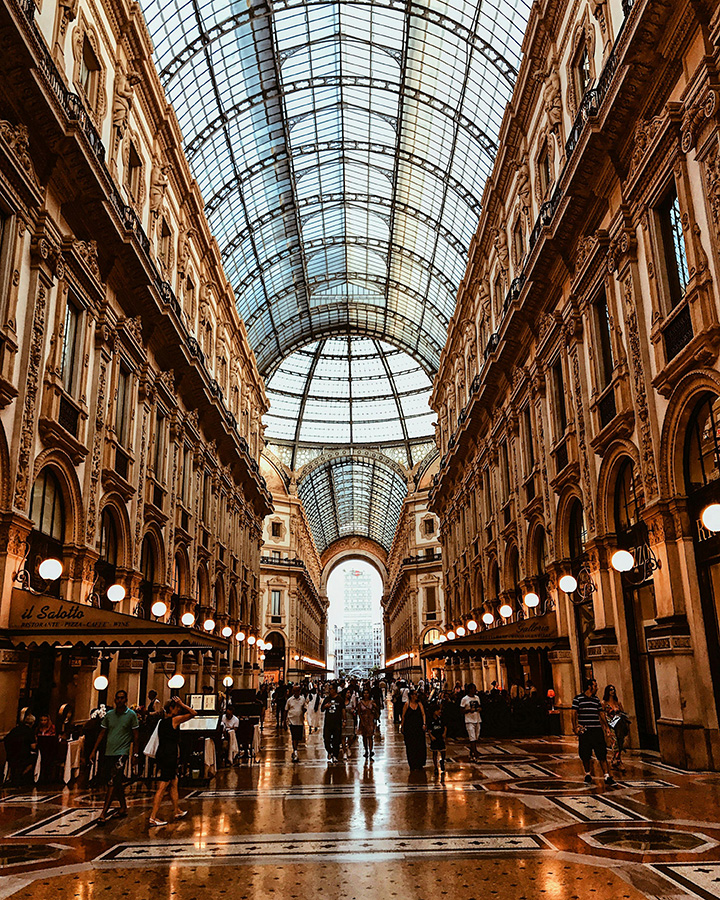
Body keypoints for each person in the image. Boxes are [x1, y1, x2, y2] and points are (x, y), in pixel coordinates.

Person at [91, 689, 140, 824]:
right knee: (116, 781)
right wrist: (94, 750)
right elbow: (102, 733)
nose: (119, 700)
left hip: (122, 753)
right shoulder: (109, 715)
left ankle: (103, 813)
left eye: (122, 698)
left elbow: (136, 736)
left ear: (126, 700)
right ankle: (123, 807)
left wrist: (135, 753)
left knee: (112, 781)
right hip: (109, 752)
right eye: (117, 698)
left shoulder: (131, 715)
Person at [149, 696, 196, 826]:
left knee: (174, 782)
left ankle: (176, 810)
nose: (179, 710)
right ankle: (153, 816)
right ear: (171, 708)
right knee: (163, 786)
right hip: (169, 755)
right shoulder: (174, 720)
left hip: (164, 754)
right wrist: (183, 704)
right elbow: (193, 713)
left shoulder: (162, 722)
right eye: (177, 707)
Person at [572, 678, 616, 786]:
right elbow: (574, 713)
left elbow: (601, 714)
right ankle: (587, 774)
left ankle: (606, 775)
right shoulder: (578, 699)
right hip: (585, 730)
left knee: (601, 753)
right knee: (585, 753)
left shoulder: (596, 700)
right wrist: (575, 727)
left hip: (596, 729)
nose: (597, 688)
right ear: (589, 687)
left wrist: (606, 728)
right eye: (595, 686)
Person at [603, 684, 630, 771]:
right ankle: (617, 761)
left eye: (613, 689)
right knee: (615, 743)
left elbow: (623, 713)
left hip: (619, 725)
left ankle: (616, 760)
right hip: (610, 725)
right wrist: (605, 727)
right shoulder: (604, 703)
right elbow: (602, 715)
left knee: (620, 742)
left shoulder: (618, 703)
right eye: (611, 690)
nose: (612, 691)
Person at [3, 716, 37, 786]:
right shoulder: (30, 731)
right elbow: (33, 746)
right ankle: (22, 775)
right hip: (23, 756)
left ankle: (16, 776)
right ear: (33, 723)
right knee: (35, 758)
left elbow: (6, 739)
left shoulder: (15, 729)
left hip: (11, 754)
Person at [400, 689, 426, 770]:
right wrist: (402, 726)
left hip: (418, 728)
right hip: (409, 728)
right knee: (411, 746)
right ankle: (412, 763)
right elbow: (403, 716)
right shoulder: (407, 705)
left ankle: (420, 763)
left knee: (420, 745)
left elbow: (423, 714)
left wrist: (424, 723)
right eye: (415, 694)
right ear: (411, 695)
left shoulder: (419, 704)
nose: (416, 696)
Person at [321, 683, 344, 763]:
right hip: (328, 722)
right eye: (329, 689)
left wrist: (344, 720)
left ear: (335, 690)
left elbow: (343, 710)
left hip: (337, 723)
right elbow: (322, 709)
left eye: (331, 689)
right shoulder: (327, 699)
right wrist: (325, 706)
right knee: (326, 739)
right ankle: (329, 751)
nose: (329, 690)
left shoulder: (340, 699)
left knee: (336, 740)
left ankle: (335, 755)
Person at [285, 685, 308, 762]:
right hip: (292, 721)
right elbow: (286, 710)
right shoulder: (290, 700)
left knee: (298, 738)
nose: (297, 692)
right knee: (294, 737)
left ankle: (295, 749)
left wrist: (303, 710)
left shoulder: (302, 699)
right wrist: (284, 721)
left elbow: (305, 708)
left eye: (298, 691)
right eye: (295, 691)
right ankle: (295, 752)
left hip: (300, 721)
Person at [460, 683, 482, 761]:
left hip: (477, 719)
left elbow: (480, 706)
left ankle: (471, 752)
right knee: (472, 737)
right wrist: (469, 710)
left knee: (476, 736)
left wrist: (479, 709)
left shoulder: (477, 698)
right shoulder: (465, 699)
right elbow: (461, 710)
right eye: (473, 689)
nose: (474, 690)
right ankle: (475, 752)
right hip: (469, 720)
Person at [356, 689, 378, 759]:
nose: (366, 695)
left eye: (367, 693)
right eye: (364, 693)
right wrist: (361, 720)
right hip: (363, 720)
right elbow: (359, 712)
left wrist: (375, 707)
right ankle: (366, 750)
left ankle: (371, 750)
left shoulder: (372, 702)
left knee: (370, 736)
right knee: (364, 737)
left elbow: (377, 711)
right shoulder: (360, 703)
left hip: (370, 720)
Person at [428, 705, 447, 774]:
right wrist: (431, 736)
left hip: (440, 737)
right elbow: (429, 730)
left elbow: (445, 727)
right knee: (434, 752)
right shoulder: (431, 720)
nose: (439, 711)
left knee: (443, 751)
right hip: (434, 738)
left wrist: (444, 733)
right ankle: (435, 767)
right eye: (437, 710)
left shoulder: (441, 718)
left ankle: (442, 761)